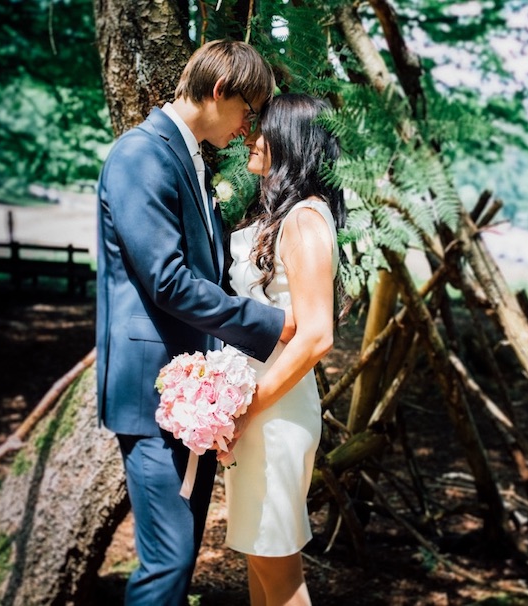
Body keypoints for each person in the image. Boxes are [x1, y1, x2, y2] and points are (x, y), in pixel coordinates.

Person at [95, 40, 294, 606]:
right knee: (169, 563)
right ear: (217, 91)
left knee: (176, 568)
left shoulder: (187, 156)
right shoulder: (141, 155)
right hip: (151, 394)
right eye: (246, 110)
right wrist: (272, 324)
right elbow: (167, 280)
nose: (247, 126)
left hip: (192, 399)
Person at [223, 93, 347, 606]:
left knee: (281, 575)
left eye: (264, 129)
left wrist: (248, 409)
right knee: (261, 559)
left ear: (291, 141)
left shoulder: (305, 220)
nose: (252, 138)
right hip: (260, 409)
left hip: (274, 412)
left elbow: (318, 334)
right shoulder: (287, 216)